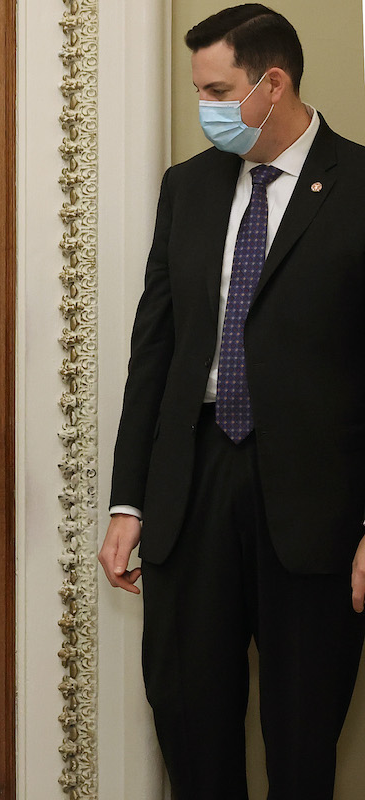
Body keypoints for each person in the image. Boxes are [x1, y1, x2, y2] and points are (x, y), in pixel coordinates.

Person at [97, 6, 365, 797]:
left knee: (302, 744)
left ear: (271, 84)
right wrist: (127, 503)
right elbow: (155, 353)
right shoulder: (188, 187)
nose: (206, 107)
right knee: (191, 729)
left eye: (217, 90)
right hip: (194, 484)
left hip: (315, 511)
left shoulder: (359, 188)